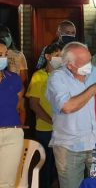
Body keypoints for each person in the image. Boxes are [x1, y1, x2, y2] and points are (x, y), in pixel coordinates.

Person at [46, 42, 96, 188]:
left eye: (89, 60)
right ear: (70, 65)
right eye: (84, 63)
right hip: (70, 147)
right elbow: (67, 106)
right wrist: (92, 89)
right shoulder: (57, 78)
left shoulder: (95, 72)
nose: (89, 65)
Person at [26, 42, 62, 188]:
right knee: (45, 165)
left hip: (63, 130)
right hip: (45, 129)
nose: (61, 59)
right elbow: (34, 104)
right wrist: (52, 121)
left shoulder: (64, 76)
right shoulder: (39, 76)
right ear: (48, 56)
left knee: (59, 167)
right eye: (57, 56)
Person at [0, 40, 24, 188]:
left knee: (6, 182)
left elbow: (19, 104)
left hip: (12, 133)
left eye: (4, 55)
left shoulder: (13, 78)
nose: (3, 58)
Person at [0, 24, 28, 123]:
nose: (4, 58)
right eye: (0, 55)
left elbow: (24, 76)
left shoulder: (18, 55)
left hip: (13, 86)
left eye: (6, 55)